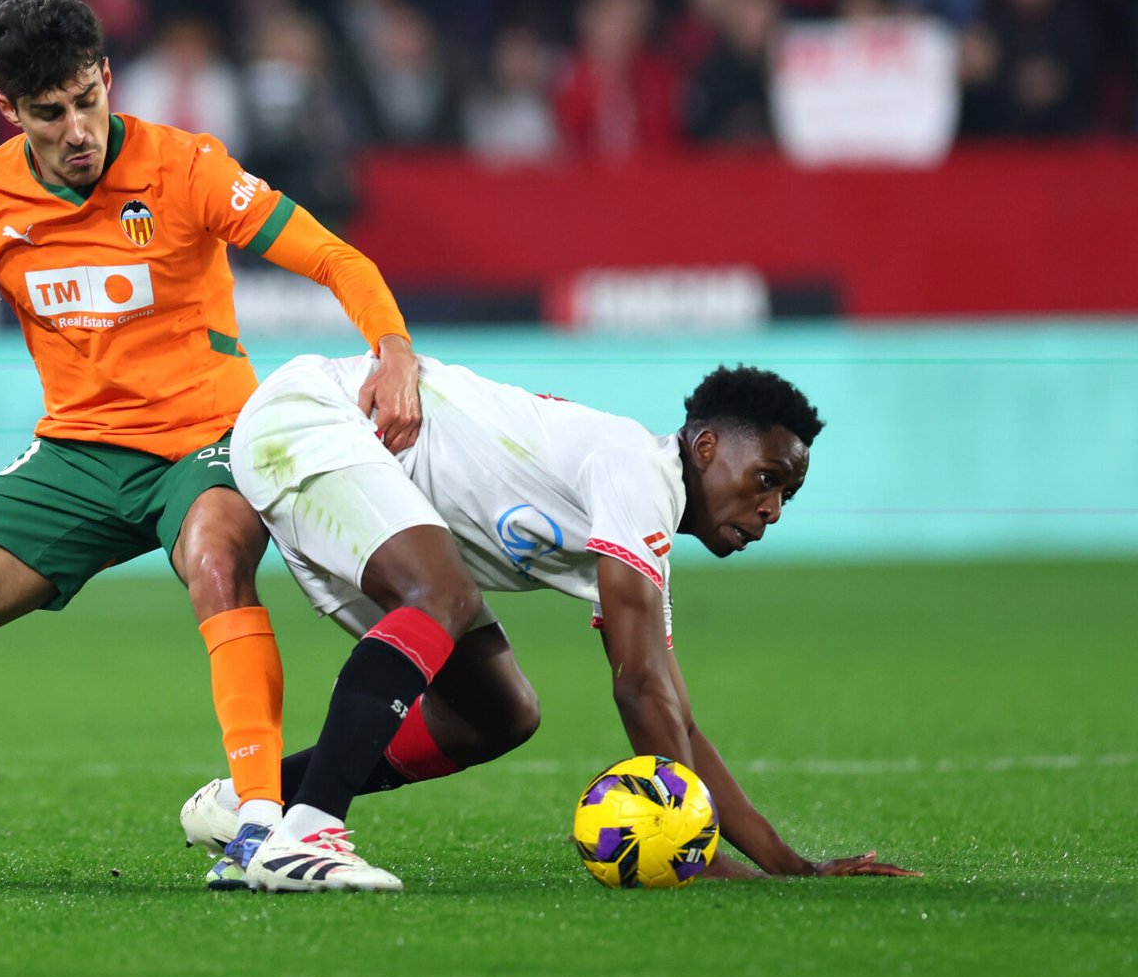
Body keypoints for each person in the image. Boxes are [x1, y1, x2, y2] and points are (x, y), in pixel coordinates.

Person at [0, 0, 420, 888]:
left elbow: (335, 256)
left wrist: (394, 350)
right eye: (50, 113)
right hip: (79, 458)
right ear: (10, 111)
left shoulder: (188, 167)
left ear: (106, 78)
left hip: (206, 440)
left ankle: (261, 829)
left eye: (87, 99)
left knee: (216, 560)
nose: (78, 129)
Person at [179, 354, 920, 891]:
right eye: (767, 480)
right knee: (444, 598)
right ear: (704, 447)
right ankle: (309, 834)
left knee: (498, 712)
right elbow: (638, 690)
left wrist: (787, 864)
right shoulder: (638, 470)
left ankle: (253, 805)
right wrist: (704, 855)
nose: (771, 509)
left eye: (787, 495)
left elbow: (672, 715)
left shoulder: (642, 529)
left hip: (364, 480)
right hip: (317, 417)